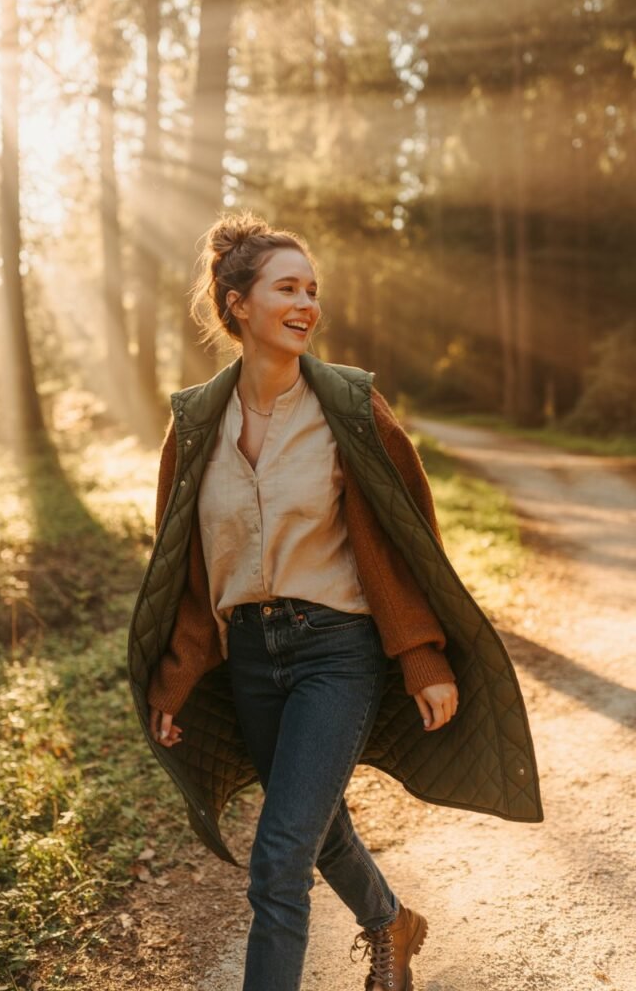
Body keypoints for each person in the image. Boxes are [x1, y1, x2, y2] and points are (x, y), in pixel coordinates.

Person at [135, 208, 541, 991]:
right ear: (237, 304)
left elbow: (407, 539)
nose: (307, 304)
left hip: (336, 649)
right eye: (287, 287)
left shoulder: (349, 409)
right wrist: (179, 672)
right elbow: (184, 565)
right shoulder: (193, 427)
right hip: (249, 655)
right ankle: (391, 920)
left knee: (278, 858)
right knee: (316, 834)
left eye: (313, 289)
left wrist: (422, 655)